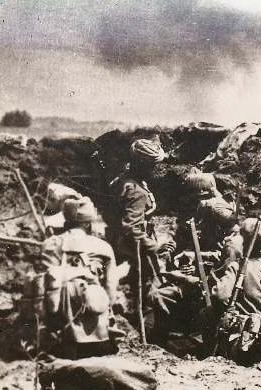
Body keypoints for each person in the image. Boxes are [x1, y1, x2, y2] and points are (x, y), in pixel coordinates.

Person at [40, 197, 119, 359]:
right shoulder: (103, 247)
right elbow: (111, 286)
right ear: (87, 223)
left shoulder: (51, 244)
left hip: (60, 324)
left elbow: (43, 284)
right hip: (95, 319)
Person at [210, 209, 261, 361]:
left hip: (248, 339)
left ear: (247, 241)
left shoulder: (239, 267)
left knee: (206, 311)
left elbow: (219, 295)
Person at [114, 138, 169, 342]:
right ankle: (148, 336)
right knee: (149, 290)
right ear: (144, 165)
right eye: (153, 166)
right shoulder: (136, 191)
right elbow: (131, 226)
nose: (156, 170)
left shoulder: (127, 180)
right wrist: (154, 247)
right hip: (135, 248)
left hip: (127, 243)